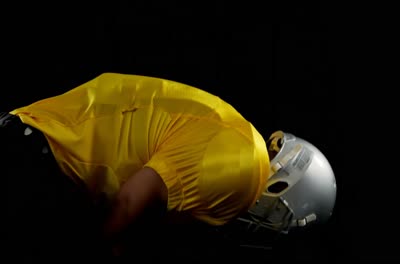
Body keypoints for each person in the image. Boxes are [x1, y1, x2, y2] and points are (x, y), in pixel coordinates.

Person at [3, 72, 336, 259]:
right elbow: (131, 200)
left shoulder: (241, 137)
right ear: (284, 189)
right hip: (43, 157)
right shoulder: (243, 174)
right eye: (283, 220)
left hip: (36, 138)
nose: (276, 227)